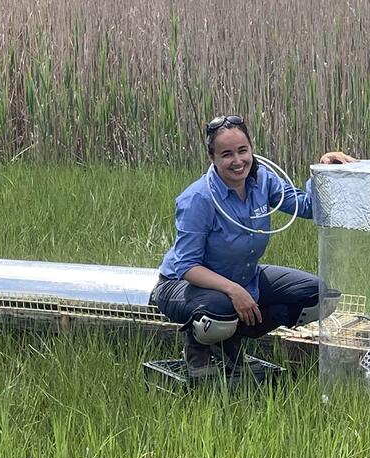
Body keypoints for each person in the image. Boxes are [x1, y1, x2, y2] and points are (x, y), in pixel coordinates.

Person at [150, 115, 354, 380]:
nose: (237, 161)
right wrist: (235, 291)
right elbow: (187, 266)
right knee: (220, 307)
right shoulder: (198, 199)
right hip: (182, 285)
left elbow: (308, 208)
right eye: (227, 154)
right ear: (212, 157)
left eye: (242, 151)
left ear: (251, 149)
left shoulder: (263, 181)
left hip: (244, 275)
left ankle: (228, 341)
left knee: (319, 295)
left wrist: (324, 173)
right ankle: (198, 344)